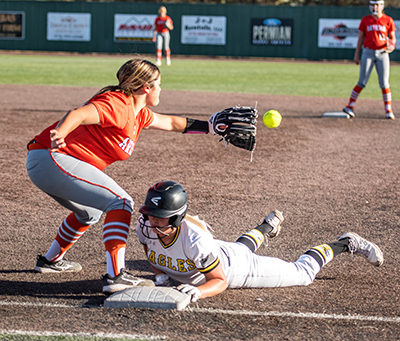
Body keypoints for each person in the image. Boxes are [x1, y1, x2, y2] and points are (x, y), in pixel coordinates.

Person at [26, 59, 215, 295]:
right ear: (146, 87)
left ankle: (50, 261)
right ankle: (116, 275)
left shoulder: (139, 114)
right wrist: (60, 134)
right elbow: (78, 114)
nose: (161, 89)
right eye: (158, 84)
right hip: (51, 157)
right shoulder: (117, 103)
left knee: (89, 212)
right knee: (121, 202)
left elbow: (171, 122)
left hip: (48, 163)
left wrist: (211, 126)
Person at [136, 181, 384, 302]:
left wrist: (198, 292)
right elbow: (154, 255)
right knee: (241, 247)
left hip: (236, 270)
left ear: (178, 218)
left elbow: (219, 281)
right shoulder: (145, 226)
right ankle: (268, 226)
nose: (153, 221)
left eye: (161, 217)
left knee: (303, 274)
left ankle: (345, 242)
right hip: (223, 251)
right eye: (150, 215)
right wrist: (160, 276)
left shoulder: (195, 239)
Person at [343, 0, 396, 120]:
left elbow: (392, 38)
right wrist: (356, 54)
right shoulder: (366, 20)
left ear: (382, 6)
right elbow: (361, 38)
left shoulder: (388, 20)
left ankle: (388, 109)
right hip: (368, 52)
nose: (374, 7)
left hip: (383, 53)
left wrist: (392, 45)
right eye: (373, 4)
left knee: (384, 83)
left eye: (377, 4)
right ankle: (349, 106)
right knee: (362, 82)